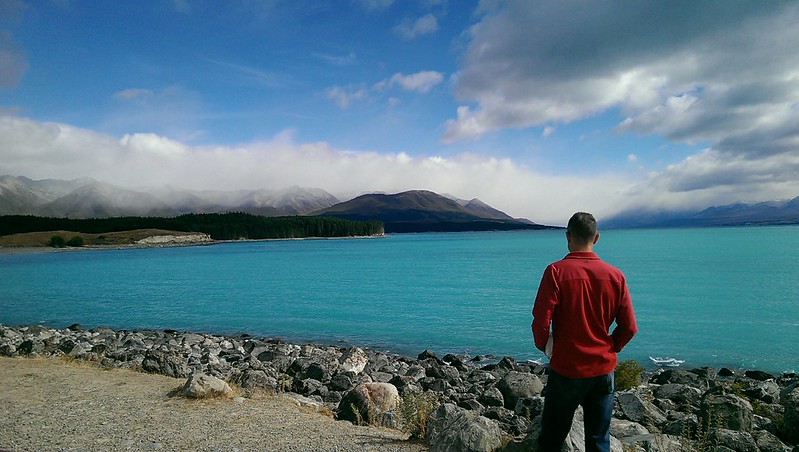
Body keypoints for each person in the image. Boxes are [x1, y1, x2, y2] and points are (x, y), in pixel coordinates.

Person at [532, 212, 638, 451]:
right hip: (602, 369)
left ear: (568, 236)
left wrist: (546, 346)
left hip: (566, 368)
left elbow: (541, 320)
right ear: (596, 238)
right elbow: (630, 326)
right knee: (599, 440)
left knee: (551, 439)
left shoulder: (556, 272)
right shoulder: (615, 276)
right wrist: (612, 347)